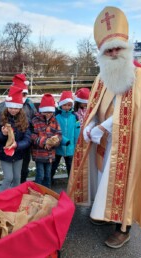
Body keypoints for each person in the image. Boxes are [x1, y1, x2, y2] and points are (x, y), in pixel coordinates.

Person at [67, 6, 141, 249]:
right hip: (104, 140)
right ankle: (105, 213)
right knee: (103, 176)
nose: (114, 52)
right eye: (109, 50)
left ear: (127, 48)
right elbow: (95, 105)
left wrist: (105, 127)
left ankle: (123, 227)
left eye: (118, 48)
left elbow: (133, 111)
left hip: (127, 141)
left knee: (124, 179)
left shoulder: (137, 76)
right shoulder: (101, 77)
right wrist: (91, 127)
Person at [0, 73, 36, 183]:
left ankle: (20, 187)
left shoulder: (29, 104)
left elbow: (35, 120)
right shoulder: (5, 105)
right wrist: (4, 131)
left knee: (23, 168)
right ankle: (10, 189)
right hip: (9, 141)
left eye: (23, 94)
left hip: (24, 140)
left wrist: (29, 136)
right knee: (10, 173)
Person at [31, 93, 62, 188]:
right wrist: (45, 142)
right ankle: (37, 192)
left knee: (48, 176)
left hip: (50, 154)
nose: (48, 114)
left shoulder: (55, 121)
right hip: (39, 153)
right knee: (40, 175)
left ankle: (47, 194)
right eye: (46, 112)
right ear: (41, 111)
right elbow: (32, 136)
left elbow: (59, 134)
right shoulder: (35, 121)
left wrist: (54, 142)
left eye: (50, 112)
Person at [51, 91, 80, 183]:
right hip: (58, 146)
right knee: (54, 166)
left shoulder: (74, 117)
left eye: (69, 105)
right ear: (61, 105)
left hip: (70, 146)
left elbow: (77, 132)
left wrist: (76, 145)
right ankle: (49, 181)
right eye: (65, 105)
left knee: (70, 167)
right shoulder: (57, 117)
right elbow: (54, 131)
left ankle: (71, 184)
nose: (67, 107)